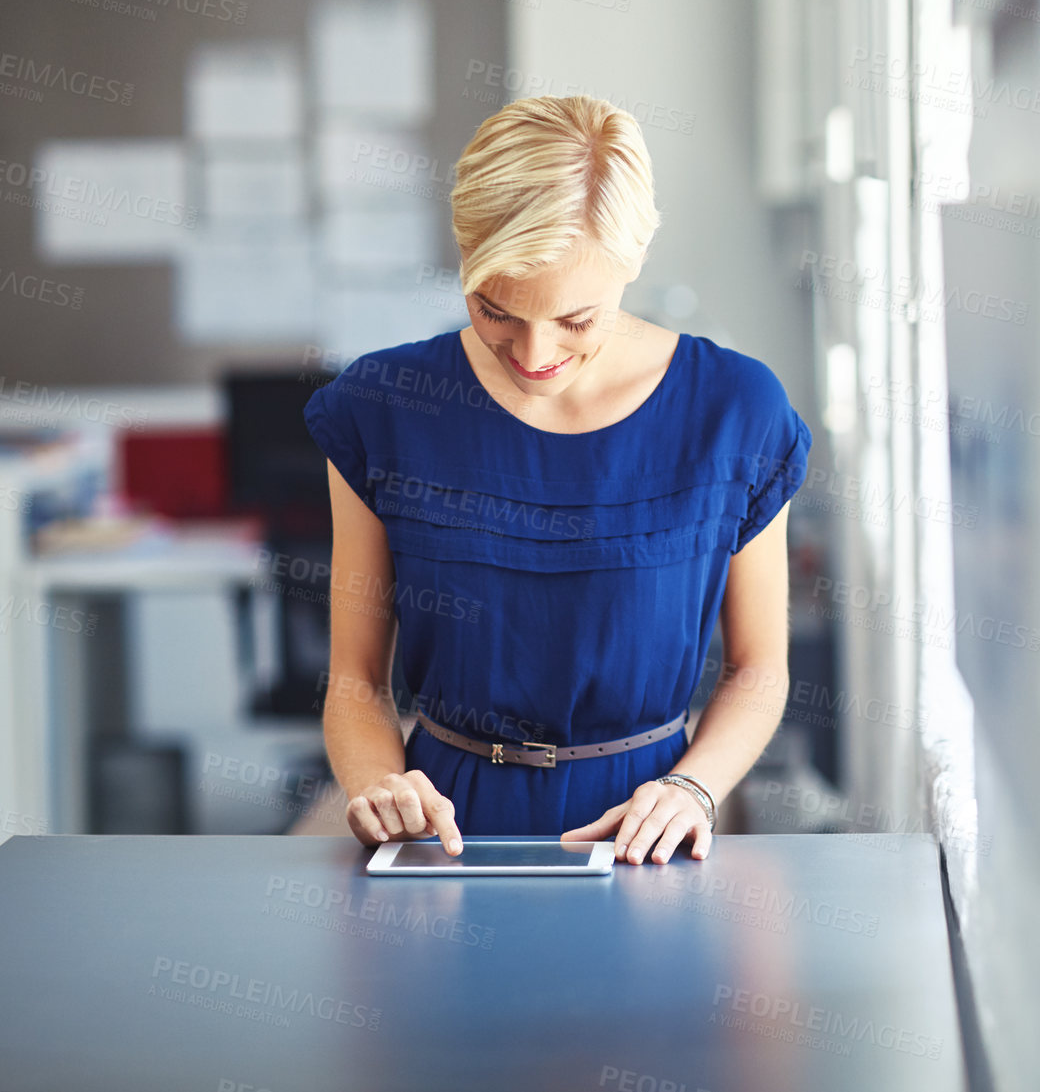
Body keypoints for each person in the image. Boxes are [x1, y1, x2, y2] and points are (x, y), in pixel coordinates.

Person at [303, 95, 810, 865]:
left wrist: (693, 789)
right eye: (494, 308)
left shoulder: (734, 409)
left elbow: (758, 668)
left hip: (646, 830)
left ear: (632, 262)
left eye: (576, 319)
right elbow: (354, 680)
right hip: (443, 835)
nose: (534, 351)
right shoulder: (384, 408)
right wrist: (378, 786)